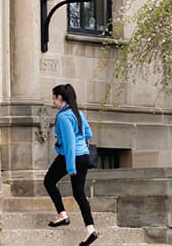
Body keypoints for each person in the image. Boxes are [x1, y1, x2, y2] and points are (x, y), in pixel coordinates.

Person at [44, 84, 99, 246]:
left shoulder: (63, 116)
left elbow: (69, 143)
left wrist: (70, 167)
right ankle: (90, 229)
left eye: (54, 97)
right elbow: (88, 133)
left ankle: (62, 215)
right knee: (79, 193)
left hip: (71, 156)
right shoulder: (78, 112)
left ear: (60, 98)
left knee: (49, 181)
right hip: (84, 156)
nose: (53, 101)